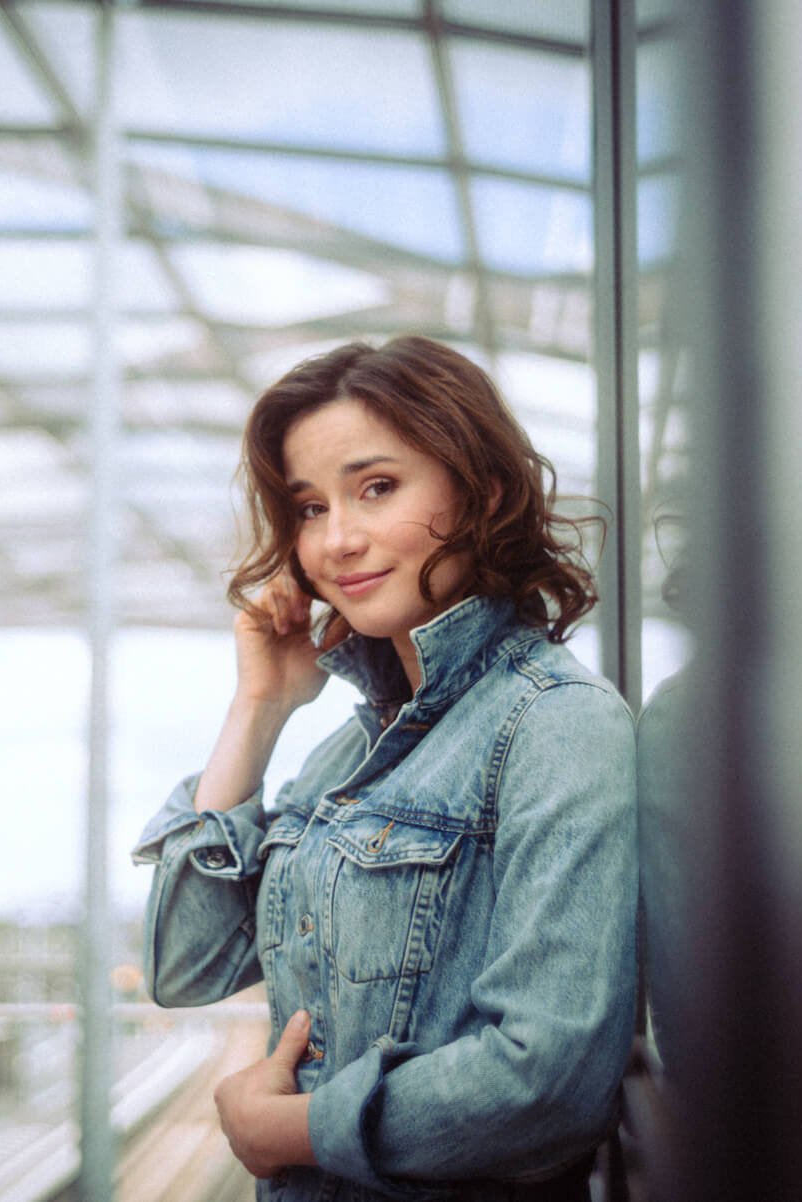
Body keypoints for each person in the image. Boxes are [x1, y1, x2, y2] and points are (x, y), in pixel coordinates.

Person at [131, 337, 636, 1201]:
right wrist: (258, 708)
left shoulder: (556, 725)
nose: (336, 541)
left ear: (480, 490)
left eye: (376, 488)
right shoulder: (346, 751)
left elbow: (549, 1080)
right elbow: (187, 966)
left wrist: (289, 1129)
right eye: (309, 507)